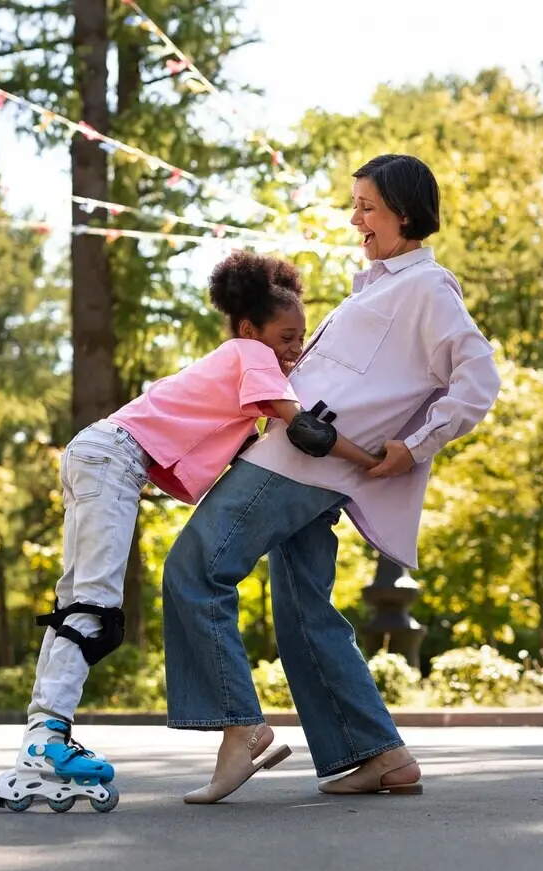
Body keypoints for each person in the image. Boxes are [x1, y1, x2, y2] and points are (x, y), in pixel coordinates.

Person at [0, 251, 383, 814]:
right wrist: (371, 461)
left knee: (77, 599)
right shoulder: (252, 355)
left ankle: (43, 736)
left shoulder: (237, 360)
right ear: (252, 329)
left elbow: (249, 443)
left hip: (98, 452)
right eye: (287, 336)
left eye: (300, 337)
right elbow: (303, 432)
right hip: (112, 460)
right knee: (94, 606)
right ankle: (47, 745)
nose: (296, 349)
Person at [164, 153, 502, 804]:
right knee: (302, 610)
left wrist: (414, 445)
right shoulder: (373, 287)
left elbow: (477, 380)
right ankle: (376, 752)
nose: (356, 219)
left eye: (368, 207)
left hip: (297, 465)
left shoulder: (427, 289)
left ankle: (241, 726)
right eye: (356, 206)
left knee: (194, 569)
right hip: (313, 459)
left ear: (406, 212)